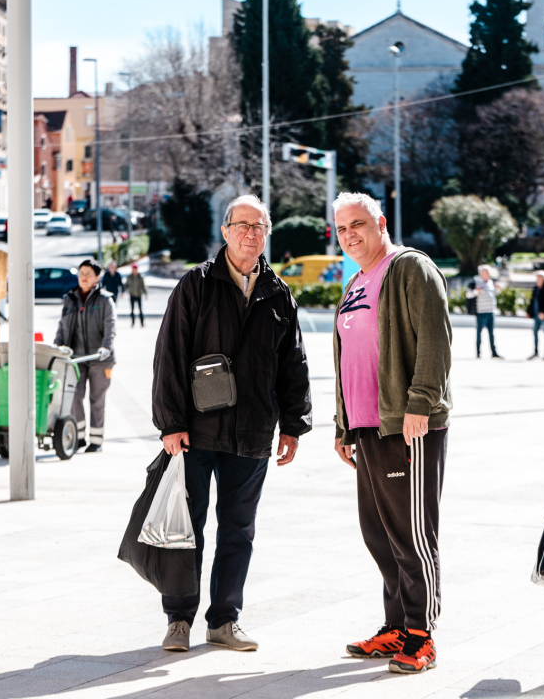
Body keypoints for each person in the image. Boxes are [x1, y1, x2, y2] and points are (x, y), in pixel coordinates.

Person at [152, 194, 312, 653]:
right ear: (225, 231)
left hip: (254, 431)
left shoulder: (279, 293)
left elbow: (293, 364)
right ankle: (179, 619)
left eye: (259, 227)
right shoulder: (196, 284)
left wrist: (293, 425)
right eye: (242, 225)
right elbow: (169, 356)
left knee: (239, 529)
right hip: (196, 431)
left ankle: (224, 619)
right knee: (189, 528)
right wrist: (169, 423)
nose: (251, 234)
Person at [331, 193, 451, 675]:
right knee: (379, 533)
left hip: (406, 424)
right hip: (365, 425)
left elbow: (434, 339)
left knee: (412, 533)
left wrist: (419, 404)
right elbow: (347, 355)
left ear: (380, 223)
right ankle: (396, 626)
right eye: (341, 230)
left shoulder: (409, 268)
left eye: (357, 225)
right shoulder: (357, 280)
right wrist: (343, 425)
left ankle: (422, 634)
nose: (349, 235)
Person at [54, 259, 116, 453]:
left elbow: (110, 326)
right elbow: (62, 326)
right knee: (74, 396)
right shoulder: (70, 298)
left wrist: (106, 347)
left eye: (88, 274)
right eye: (81, 273)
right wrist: (57, 348)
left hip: (100, 358)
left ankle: (96, 440)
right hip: (76, 358)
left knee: (97, 399)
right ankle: (78, 437)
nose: (83, 277)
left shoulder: (105, 300)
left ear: (97, 277)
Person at [468, 265, 502, 359]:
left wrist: (498, 289)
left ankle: (494, 352)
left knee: (491, 333)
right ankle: (478, 353)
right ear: (481, 273)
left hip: (491, 312)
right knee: (479, 333)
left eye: (488, 272)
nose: (488, 274)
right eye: (486, 272)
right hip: (481, 312)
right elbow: (468, 294)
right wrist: (476, 291)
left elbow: (492, 294)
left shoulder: (491, 282)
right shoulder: (475, 282)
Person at [527, 270, 544, 360]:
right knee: (535, 333)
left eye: (538, 278)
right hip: (536, 316)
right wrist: (529, 312)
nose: (537, 280)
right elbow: (532, 301)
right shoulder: (536, 288)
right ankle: (535, 352)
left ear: (543, 278)